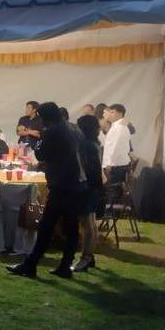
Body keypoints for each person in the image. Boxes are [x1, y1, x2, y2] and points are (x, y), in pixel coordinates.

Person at [7, 102, 83, 279]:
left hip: (61, 183)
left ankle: (31, 264)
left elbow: (41, 154)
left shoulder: (52, 131)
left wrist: (40, 138)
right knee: (71, 226)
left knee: (47, 225)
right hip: (74, 181)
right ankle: (65, 264)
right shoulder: (70, 128)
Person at [73, 115, 103, 272]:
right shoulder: (93, 143)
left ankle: (85, 258)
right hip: (93, 187)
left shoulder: (87, 145)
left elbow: (90, 169)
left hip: (88, 187)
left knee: (87, 225)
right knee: (90, 223)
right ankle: (89, 256)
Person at [103, 103, 132, 184]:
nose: (110, 114)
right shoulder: (117, 126)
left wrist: (109, 164)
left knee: (114, 191)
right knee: (115, 190)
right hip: (117, 164)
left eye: (112, 112)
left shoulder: (119, 127)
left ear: (120, 113)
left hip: (116, 165)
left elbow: (116, 147)